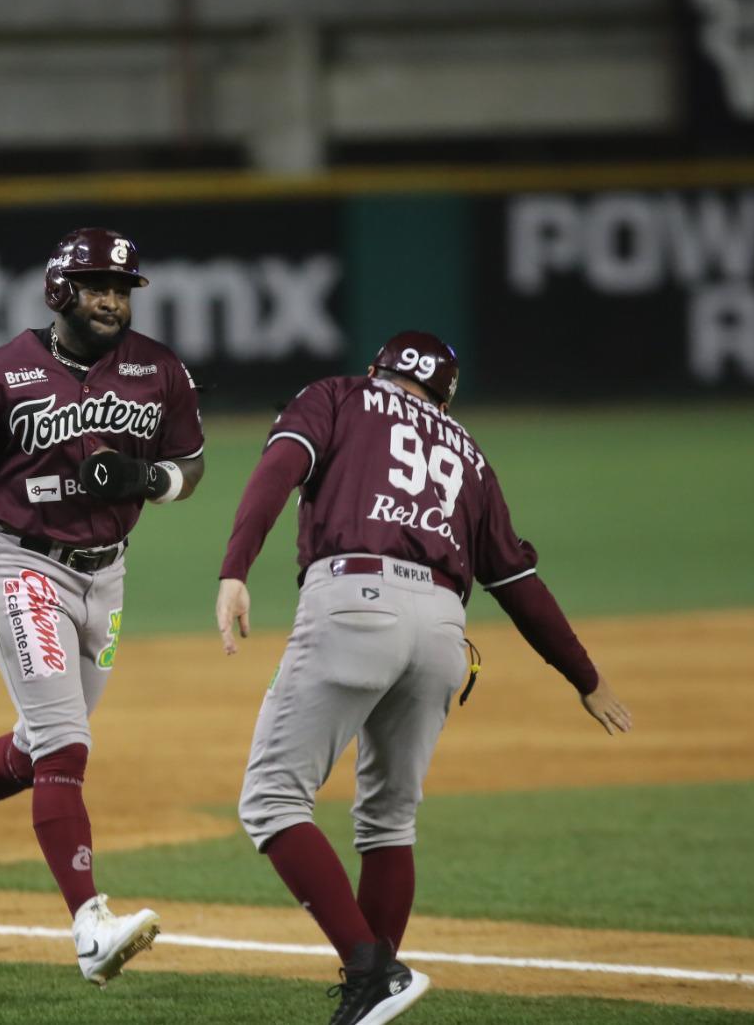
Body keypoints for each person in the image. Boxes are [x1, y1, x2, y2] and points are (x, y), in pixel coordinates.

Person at [214, 330, 632, 1025]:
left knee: (273, 803)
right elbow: (517, 580)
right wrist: (585, 677)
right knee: (387, 821)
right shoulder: (468, 453)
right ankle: (370, 997)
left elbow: (279, 469)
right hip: (443, 629)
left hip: (354, 601)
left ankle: (372, 972)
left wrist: (236, 567)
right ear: (447, 393)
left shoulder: (338, 396)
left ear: (379, 369)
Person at [0, 227, 205, 986]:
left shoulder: (158, 370)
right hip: (21, 562)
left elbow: (190, 465)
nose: (111, 299)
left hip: (108, 576)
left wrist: (146, 483)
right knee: (67, 743)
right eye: (97, 285)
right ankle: (89, 925)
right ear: (59, 290)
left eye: (122, 288)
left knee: (41, 746)